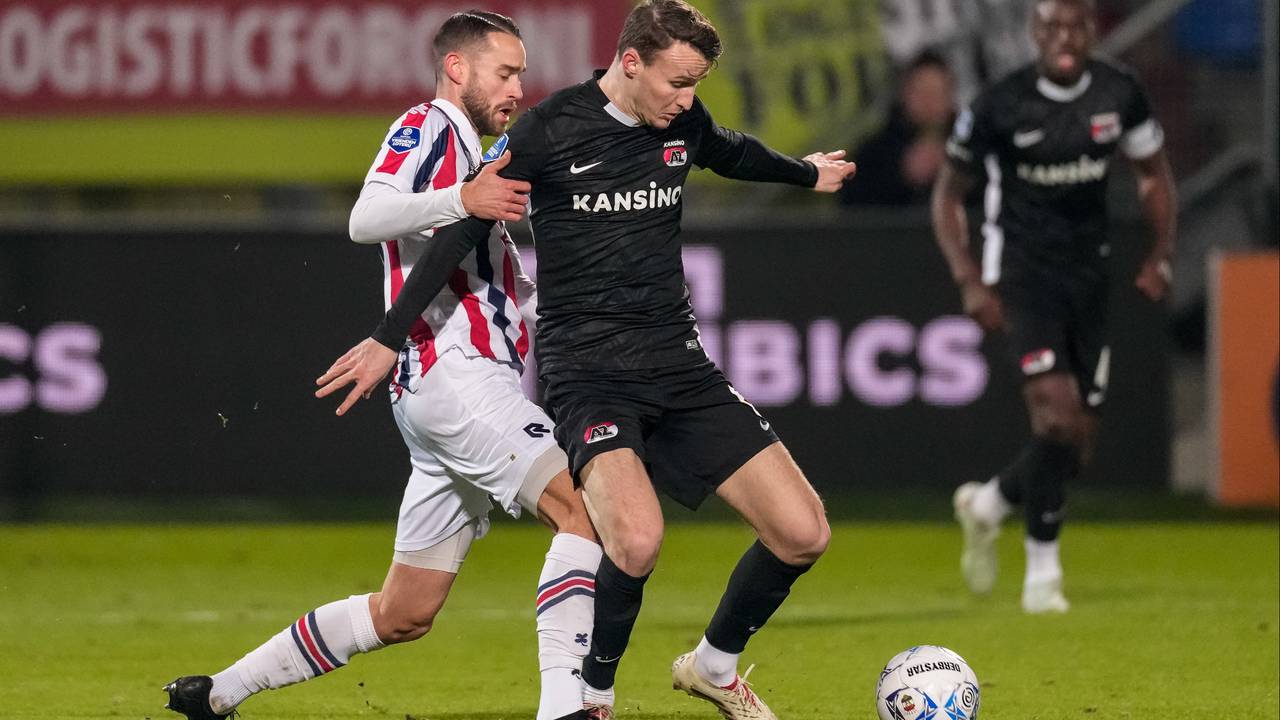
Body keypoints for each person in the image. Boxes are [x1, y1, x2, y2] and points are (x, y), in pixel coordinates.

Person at [315, 2, 856, 717]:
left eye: (696, 84)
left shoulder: (682, 122)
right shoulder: (550, 129)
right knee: (633, 540)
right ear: (630, 62)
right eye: (678, 81)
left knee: (803, 531)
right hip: (589, 375)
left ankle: (714, 668)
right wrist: (390, 336)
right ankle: (589, 695)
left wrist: (803, 173)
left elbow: (731, 149)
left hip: (679, 366)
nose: (687, 99)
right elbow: (459, 230)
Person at [163, 13, 601, 720]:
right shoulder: (429, 124)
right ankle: (565, 709)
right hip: (457, 375)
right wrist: (463, 197)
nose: (518, 88)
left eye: (521, 73)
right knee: (584, 510)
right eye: (506, 71)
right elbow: (365, 218)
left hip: (441, 394)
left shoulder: (470, 149)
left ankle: (220, 692)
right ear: (457, 67)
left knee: (404, 611)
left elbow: (492, 276)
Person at [931, 0, 1176, 613]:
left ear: (1092, 32)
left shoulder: (1119, 93)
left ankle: (988, 505)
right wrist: (969, 280)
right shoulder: (1000, 104)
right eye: (1051, 27)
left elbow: (1153, 175)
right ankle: (1043, 576)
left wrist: (1160, 254)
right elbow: (947, 198)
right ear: (1034, 35)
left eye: (1075, 26)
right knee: (1057, 420)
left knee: (1077, 443)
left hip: (1089, 277)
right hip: (1021, 275)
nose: (1064, 38)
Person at [838, 50, 956, 206]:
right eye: (921, 93)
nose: (929, 103)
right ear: (904, 95)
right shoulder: (874, 154)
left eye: (936, 94)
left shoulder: (973, 149)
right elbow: (854, 210)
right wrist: (901, 174)